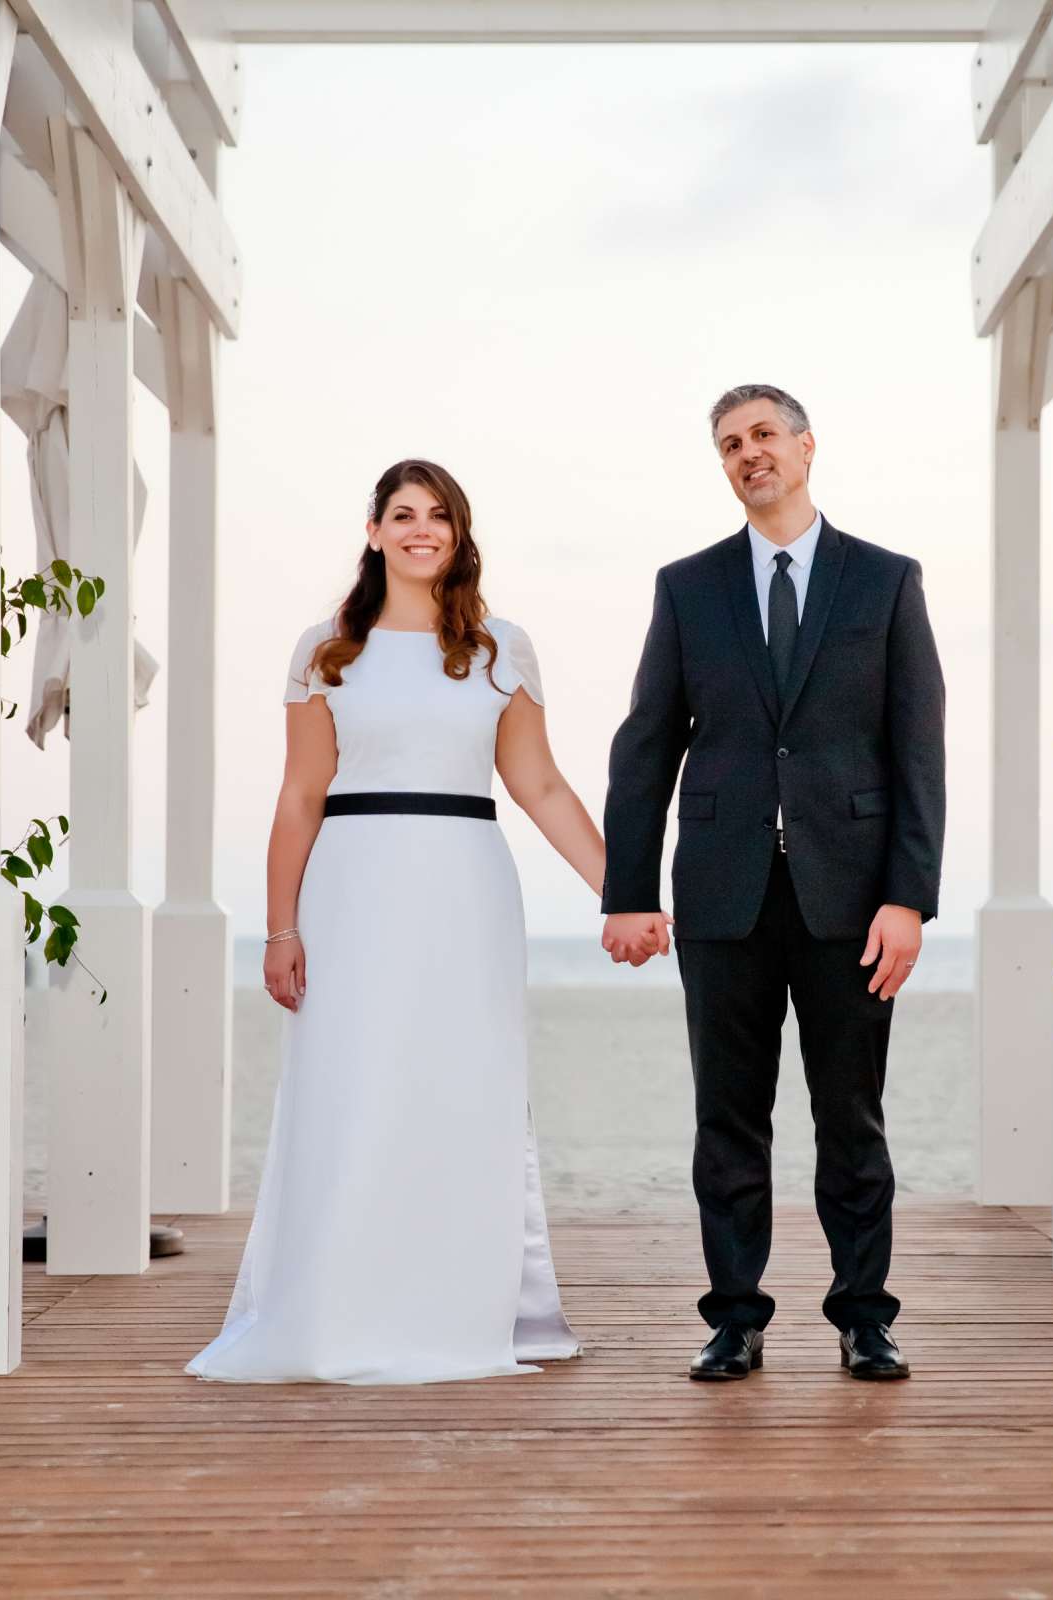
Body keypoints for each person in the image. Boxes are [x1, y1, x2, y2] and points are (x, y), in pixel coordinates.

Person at [189, 458, 613, 1384]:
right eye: (403, 514)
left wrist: (619, 892)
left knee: (466, 1079)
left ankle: (480, 1302)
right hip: (352, 886)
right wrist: (280, 929)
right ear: (373, 531)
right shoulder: (325, 650)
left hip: (465, 885)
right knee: (354, 1082)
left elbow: (538, 784)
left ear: (459, 538)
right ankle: (341, 1300)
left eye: (440, 517)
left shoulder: (502, 648)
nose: (422, 529)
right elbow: (300, 796)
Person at [601, 384, 947, 1382]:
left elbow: (915, 749)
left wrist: (908, 896)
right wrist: (629, 888)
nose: (747, 453)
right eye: (728, 444)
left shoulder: (885, 581)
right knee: (728, 1119)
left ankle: (864, 1316)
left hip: (854, 900)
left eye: (762, 436)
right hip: (721, 895)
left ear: (805, 446)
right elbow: (646, 746)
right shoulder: (688, 586)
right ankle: (735, 1318)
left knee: (852, 1117)